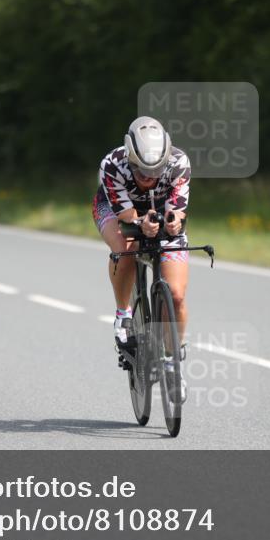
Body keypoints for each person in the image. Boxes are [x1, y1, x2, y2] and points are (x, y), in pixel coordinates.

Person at [93, 116, 191, 402]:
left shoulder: (179, 162)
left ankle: (173, 361)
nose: (149, 178)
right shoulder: (113, 164)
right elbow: (126, 216)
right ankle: (123, 316)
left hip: (158, 209)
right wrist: (139, 222)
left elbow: (177, 211)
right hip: (116, 210)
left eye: (156, 170)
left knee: (176, 295)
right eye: (142, 171)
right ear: (130, 159)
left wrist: (173, 222)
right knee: (125, 248)